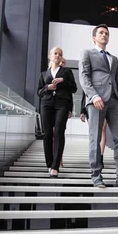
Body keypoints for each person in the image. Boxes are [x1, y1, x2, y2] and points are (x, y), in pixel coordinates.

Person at [78, 24, 118, 188]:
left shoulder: (113, 59)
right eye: (101, 33)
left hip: (114, 101)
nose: (104, 35)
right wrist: (93, 96)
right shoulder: (87, 53)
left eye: (106, 33)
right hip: (96, 100)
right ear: (94, 37)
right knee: (95, 138)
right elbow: (84, 77)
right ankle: (96, 175)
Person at [38, 47, 77, 177]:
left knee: (59, 132)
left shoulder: (66, 71)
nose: (57, 56)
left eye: (60, 54)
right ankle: (49, 164)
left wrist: (63, 81)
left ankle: (55, 166)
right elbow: (39, 92)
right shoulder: (44, 74)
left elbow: (74, 88)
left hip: (62, 104)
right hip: (46, 104)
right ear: (50, 56)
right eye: (55, 53)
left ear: (61, 58)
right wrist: (47, 87)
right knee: (47, 134)